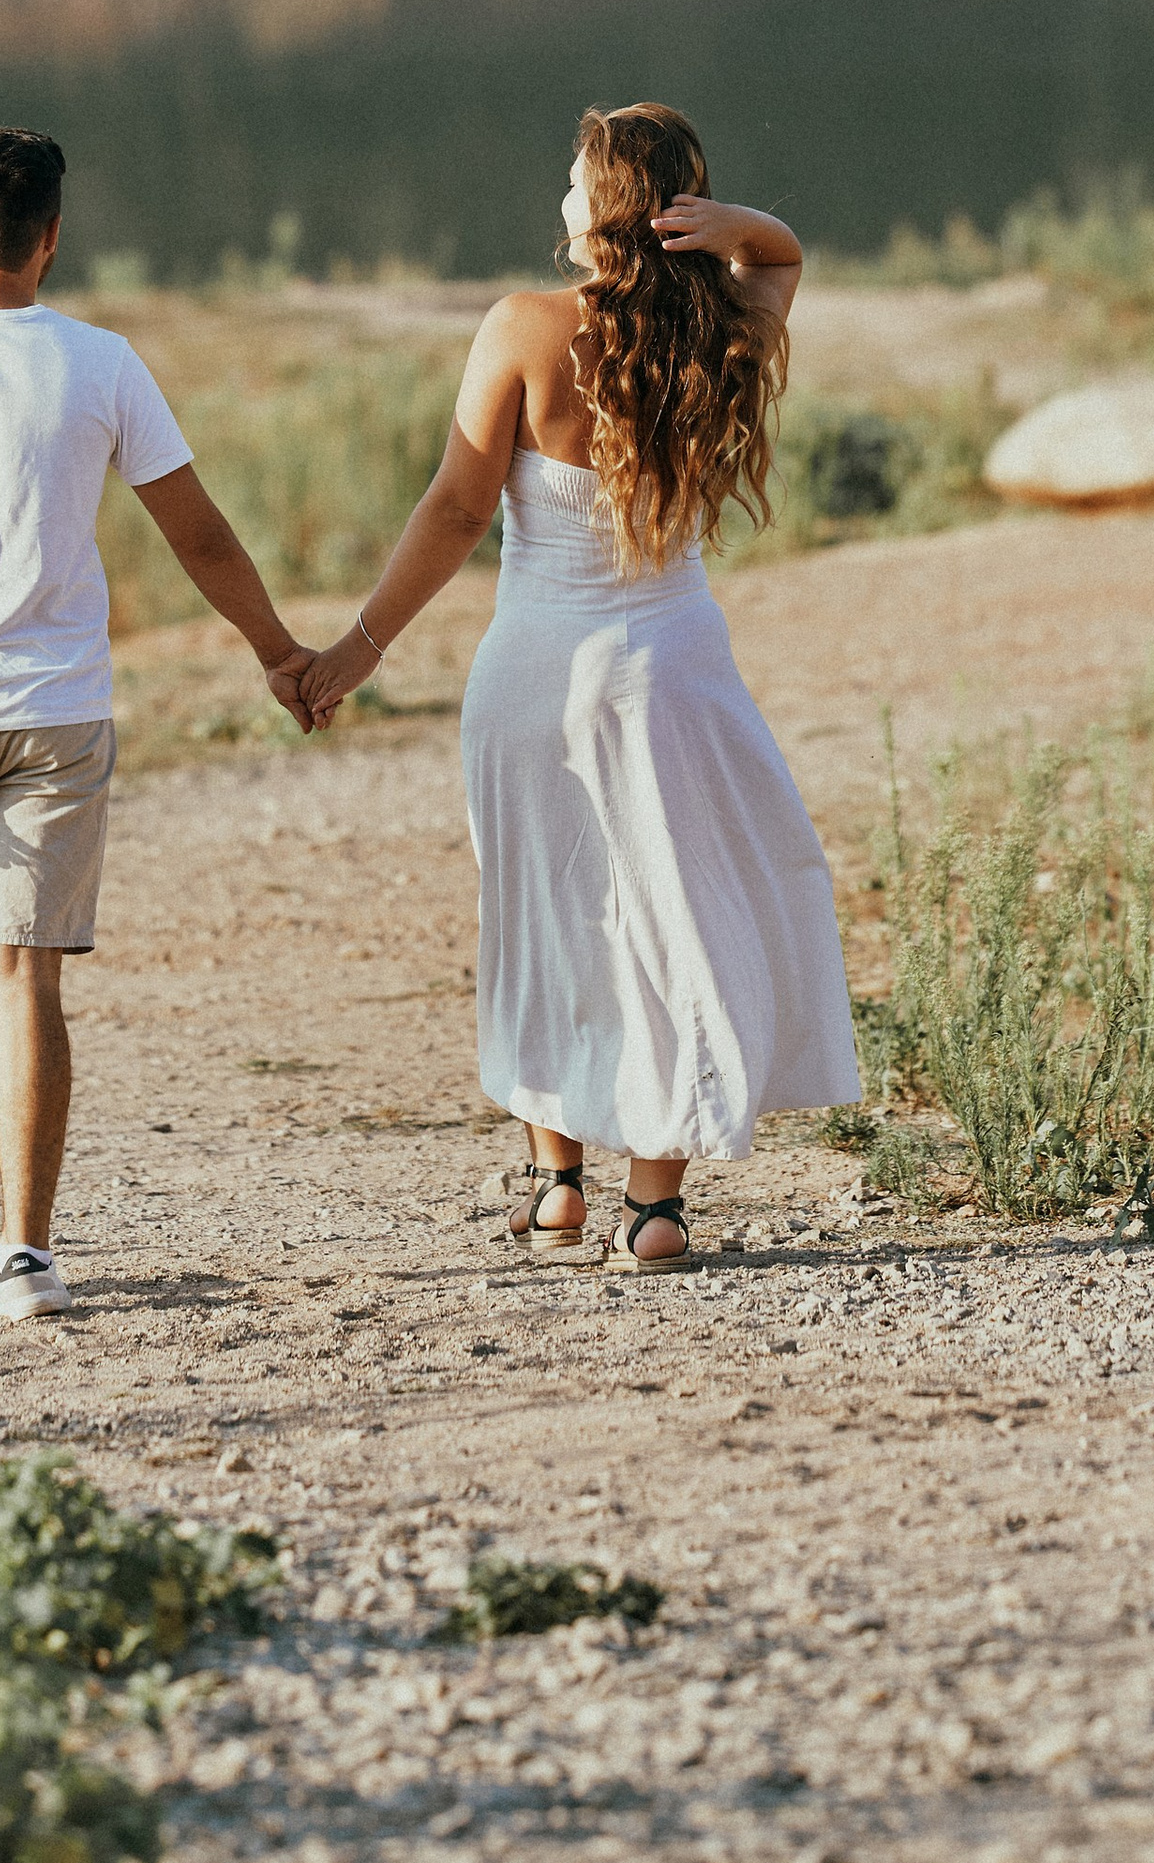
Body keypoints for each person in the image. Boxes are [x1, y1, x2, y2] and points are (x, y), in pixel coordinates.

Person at [294, 100, 857, 1269]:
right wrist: (733, 223)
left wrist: (357, 647)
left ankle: (559, 1188)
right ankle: (653, 1209)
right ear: (684, 212)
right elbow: (781, 252)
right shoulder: (728, 327)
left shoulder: (522, 326)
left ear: (599, 205)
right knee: (678, 916)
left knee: (546, 911)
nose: (558, 193)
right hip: (672, 668)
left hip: (536, 670)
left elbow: (455, 508)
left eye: (572, 178)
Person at [0, 125, 316, 1319]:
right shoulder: (102, 363)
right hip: (60, 712)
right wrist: (280, 655)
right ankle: (25, 1259)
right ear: (52, 237)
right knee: (24, 978)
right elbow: (198, 534)